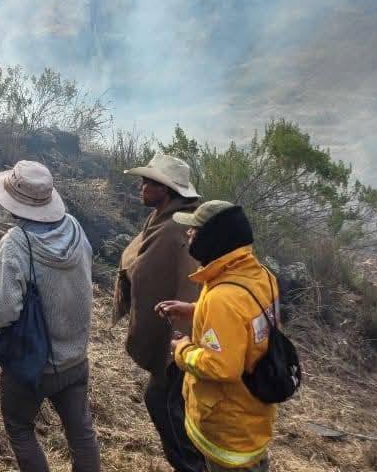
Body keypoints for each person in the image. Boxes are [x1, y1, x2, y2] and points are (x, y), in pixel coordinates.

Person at [0, 160, 100, 472]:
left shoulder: (16, 243)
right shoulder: (74, 228)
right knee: (81, 434)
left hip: (34, 364)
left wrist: (7, 247)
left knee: (20, 427)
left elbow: (2, 312)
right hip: (75, 359)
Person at [157, 202, 280, 472]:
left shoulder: (222, 298)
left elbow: (221, 366)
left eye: (195, 229)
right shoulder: (259, 276)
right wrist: (195, 310)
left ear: (213, 238)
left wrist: (182, 349)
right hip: (251, 413)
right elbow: (244, 322)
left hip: (227, 427)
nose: (189, 233)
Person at [114, 153, 205, 472]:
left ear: (165, 189)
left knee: (163, 403)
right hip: (180, 332)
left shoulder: (175, 229)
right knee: (170, 404)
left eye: (147, 182)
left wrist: (179, 340)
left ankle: (193, 466)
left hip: (182, 337)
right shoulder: (164, 219)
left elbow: (187, 282)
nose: (141, 187)